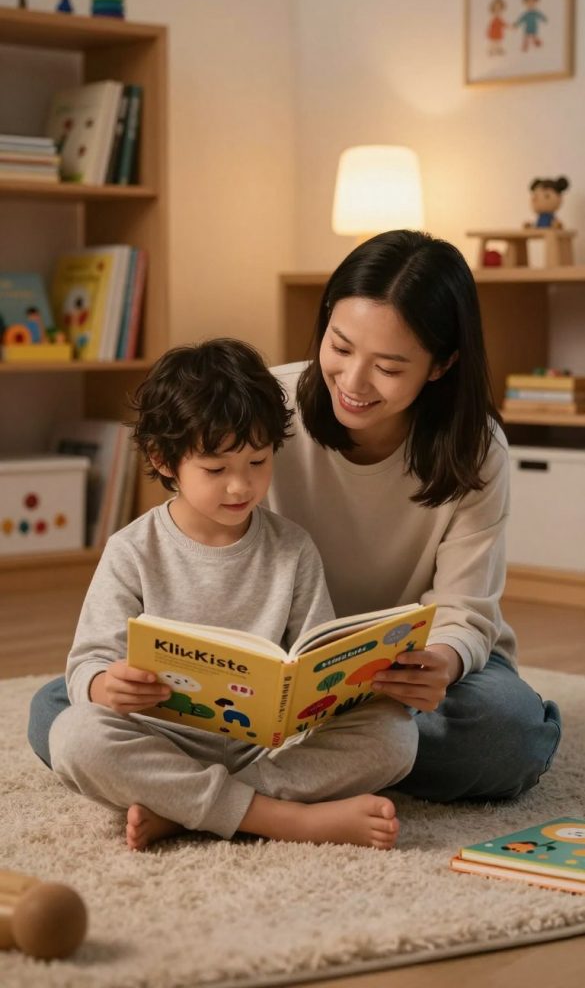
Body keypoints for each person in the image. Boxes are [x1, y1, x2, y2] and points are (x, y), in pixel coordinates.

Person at [29, 231, 561, 804]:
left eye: (387, 366)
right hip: (250, 673)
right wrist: (112, 685)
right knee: (58, 709)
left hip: (385, 678)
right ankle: (263, 798)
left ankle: (183, 793)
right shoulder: (264, 411)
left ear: (440, 365)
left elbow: (466, 611)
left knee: (504, 733)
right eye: (340, 345)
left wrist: (441, 662)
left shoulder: (475, 450)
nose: (353, 383)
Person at [41, 338, 417, 851]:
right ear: (165, 460)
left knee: (396, 736)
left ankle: (183, 810)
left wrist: (343, 684)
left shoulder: (293, 549)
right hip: (163, 739)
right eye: (216, 470)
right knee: (74, 737)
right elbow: (88, 659)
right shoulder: (132, 550)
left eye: (258, 462)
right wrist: (106, 685)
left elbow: (316, 658)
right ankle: (287, 820)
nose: (241, 487)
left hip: (267, 752)